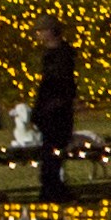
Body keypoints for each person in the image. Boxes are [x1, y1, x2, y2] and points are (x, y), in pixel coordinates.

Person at [27, 18, 82, 202]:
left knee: (51, 155)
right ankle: (53, 189)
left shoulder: (60, 57)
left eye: (42, 31)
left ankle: (52, 191)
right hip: (52, 112)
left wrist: (49, 107)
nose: (39, 35)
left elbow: (57, 86)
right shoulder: (55, 55)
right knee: (51, 154)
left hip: (55, 113)